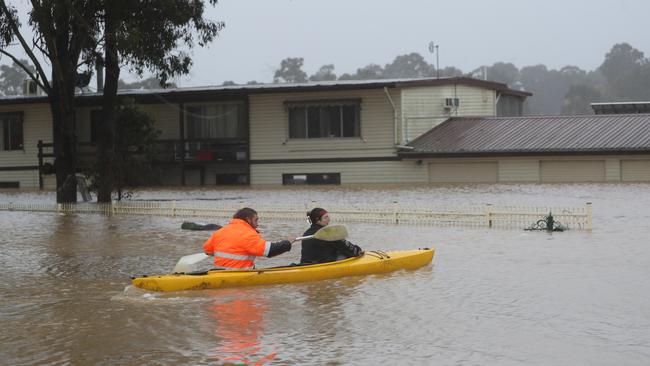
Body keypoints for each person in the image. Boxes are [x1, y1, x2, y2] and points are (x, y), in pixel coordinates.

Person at [203, 207, 294, 269]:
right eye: (256, 220)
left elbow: (208, 250)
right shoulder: (248, 234)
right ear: (248, 219)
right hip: (240, 275)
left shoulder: (220, 231)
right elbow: (270, 251)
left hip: (218, 273)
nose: (258, 224)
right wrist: (287, 243)